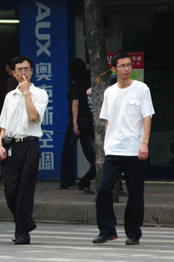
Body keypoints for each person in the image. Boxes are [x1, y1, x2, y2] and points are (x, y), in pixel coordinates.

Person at [92, 51, 154, 246]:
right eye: (123, 66)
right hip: (114, 150)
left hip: (135, 150)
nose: (127, 69)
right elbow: (108, 120)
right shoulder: (110, 92)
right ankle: (107, 230)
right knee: (103, 189)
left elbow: (147, 117)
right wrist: (107, 145)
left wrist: (144, 143)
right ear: (114, 68)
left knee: (135, 193)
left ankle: (133, 233)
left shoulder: (142, 89)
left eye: (129, 65)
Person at [0, 55, 49, 245]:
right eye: (19, 70)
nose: (23, 73)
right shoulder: (9, 96)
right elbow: (3, 124)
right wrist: (0, 145)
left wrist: (27, 93)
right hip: (11, 146)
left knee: (25, 190)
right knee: (11, 190)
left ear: (32, 71)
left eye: (26, 69)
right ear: (13, 72)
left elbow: (34, 117)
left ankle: (22, 233)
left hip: (30, 144)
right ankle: (26, 222)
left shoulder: (40, 94)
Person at [59, 58, 96, 194]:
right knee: (91, 153)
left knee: (68, 151)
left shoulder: (75, 83)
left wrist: (74, 123)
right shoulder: (88, 80)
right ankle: (85, 181)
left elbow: (75, 103)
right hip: (88, 121)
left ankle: (67, 182)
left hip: (78, 121)